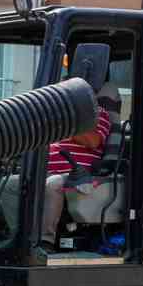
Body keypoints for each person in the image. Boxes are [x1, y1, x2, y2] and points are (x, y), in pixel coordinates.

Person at [36, 87, 118, 250]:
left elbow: (93, 140)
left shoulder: (98, 114)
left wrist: (66, 125)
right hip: (42, 170)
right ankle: (22, 236)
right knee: (8, 184)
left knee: (53, 184)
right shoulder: (55, 114)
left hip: (78, 175)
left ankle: (45, 242)